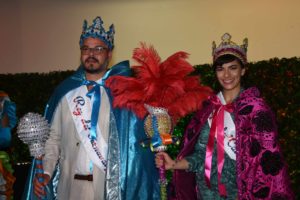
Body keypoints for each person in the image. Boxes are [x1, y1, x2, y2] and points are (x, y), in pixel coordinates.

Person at [23, 16, 160, 200]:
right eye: (86, 48)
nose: (91, 54)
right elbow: (53, 138)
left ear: (109, 54)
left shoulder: (123, 93)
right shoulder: (65, 92)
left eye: (98, 48)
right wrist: (46, 172)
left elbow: (134, 143)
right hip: (68, 186)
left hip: (106, 187)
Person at [156, 33, 294, 199]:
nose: (226, 75)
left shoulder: (256, 110)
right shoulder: (207, 109)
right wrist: (174, 164)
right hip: (206, 194)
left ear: (243, 70)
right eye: (221, 69)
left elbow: (265, 163)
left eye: (233, 68)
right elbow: (200, 156)